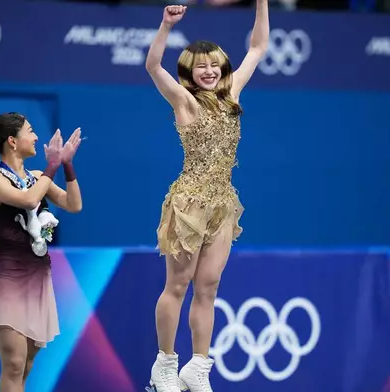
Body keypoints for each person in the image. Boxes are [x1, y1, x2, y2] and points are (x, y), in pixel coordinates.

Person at [144, 2, 269, 391]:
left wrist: (262, 2)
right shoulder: (184, 100)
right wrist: (165, 25)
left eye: (215, 64)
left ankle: (198, 367)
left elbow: (259, 47)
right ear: (189, 72)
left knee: (209, 287)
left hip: (223, 205)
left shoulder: (232, 96)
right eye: (201, 66)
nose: (210, 70)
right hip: (189, 203)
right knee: (177, 286)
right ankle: (164, 364)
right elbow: (152, 66)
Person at [0, 112, 83, 392]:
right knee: (13, 363)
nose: (37, 137)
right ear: (12, 141)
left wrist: (67, 165)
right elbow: (28, 199)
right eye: (31, 130)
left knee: (26, 366)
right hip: (8, 278)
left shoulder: (37, 177)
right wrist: (52, 166)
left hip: (37, 278)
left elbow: (73, 205)